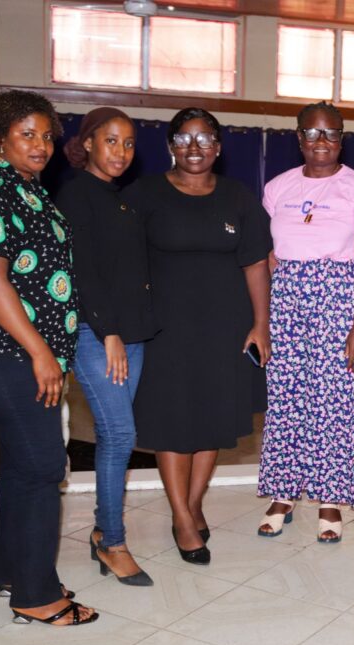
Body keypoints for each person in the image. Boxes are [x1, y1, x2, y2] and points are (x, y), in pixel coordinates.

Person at [0, 89, 97, 625]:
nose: (40, 145)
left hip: (20, 351)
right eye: (26, 134)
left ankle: (14, 571)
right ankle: (36, 596)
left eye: (47, 135)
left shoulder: (26, 189)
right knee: (41, 466)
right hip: (5, 351)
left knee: (20, 463)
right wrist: (40, 352)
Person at [124, 108, 272, 565]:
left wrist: (261, 324)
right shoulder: (144, 194)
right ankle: (182, 518)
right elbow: (120, 259)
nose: (195, 147)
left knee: (211, 418)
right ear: (170, 145)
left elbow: (256, 264)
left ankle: (191, 504)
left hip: (225, 327)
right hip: (164, 330)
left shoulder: (238, 196)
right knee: (173, 421)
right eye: (184, 139)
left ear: (218, 147)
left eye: (205, 138)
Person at [257, 101, 354, 542]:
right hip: (287, 302)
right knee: (286, 398)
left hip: (339, 300)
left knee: (337, 402)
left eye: (331, 133)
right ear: (299, 138)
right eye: (312, 133)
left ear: (342, 138)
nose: (322, 141)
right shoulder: (277, 188)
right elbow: (268, 247)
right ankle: (283, 494)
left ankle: (330, 499)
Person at [56, 108, 157, 586]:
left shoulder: (116, 197)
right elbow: (82, 271)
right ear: (88, 144)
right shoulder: (77, 193)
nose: (121, 151)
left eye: (129, 143)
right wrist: (108, 332)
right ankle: (112, 542)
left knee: (115, 435)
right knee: (119, 435)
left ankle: (103, 530)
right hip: (98, 334)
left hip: (129, 334)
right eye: (111, 141)